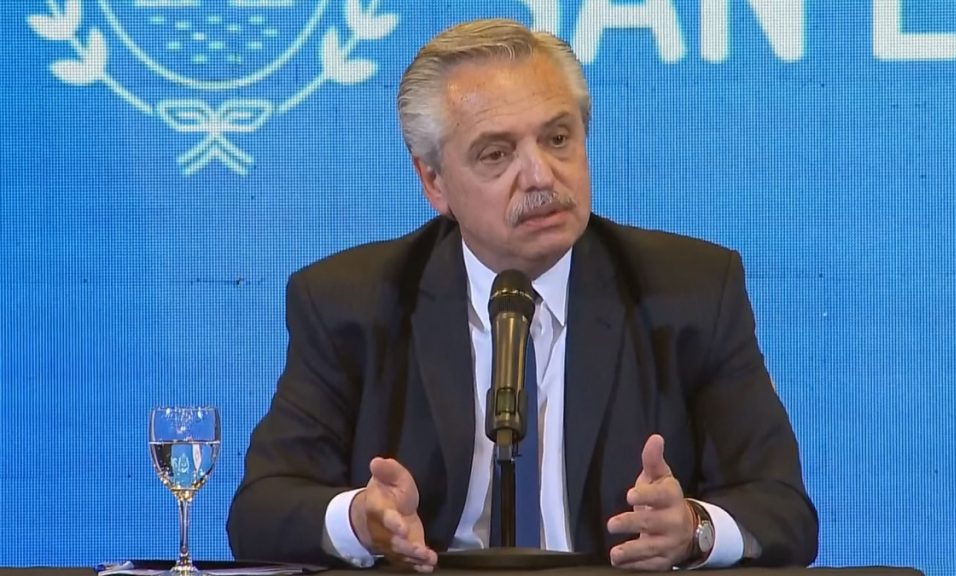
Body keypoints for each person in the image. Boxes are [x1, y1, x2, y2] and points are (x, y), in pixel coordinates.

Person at [226, 18, 818, 572]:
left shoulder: (689, 292)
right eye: (497, 153)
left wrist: (693, 529)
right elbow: (260, 511)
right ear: (434, 181)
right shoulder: (351, 303)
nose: (539, 175)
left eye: (558, 138)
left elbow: (784, 511)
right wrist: (360, 520)